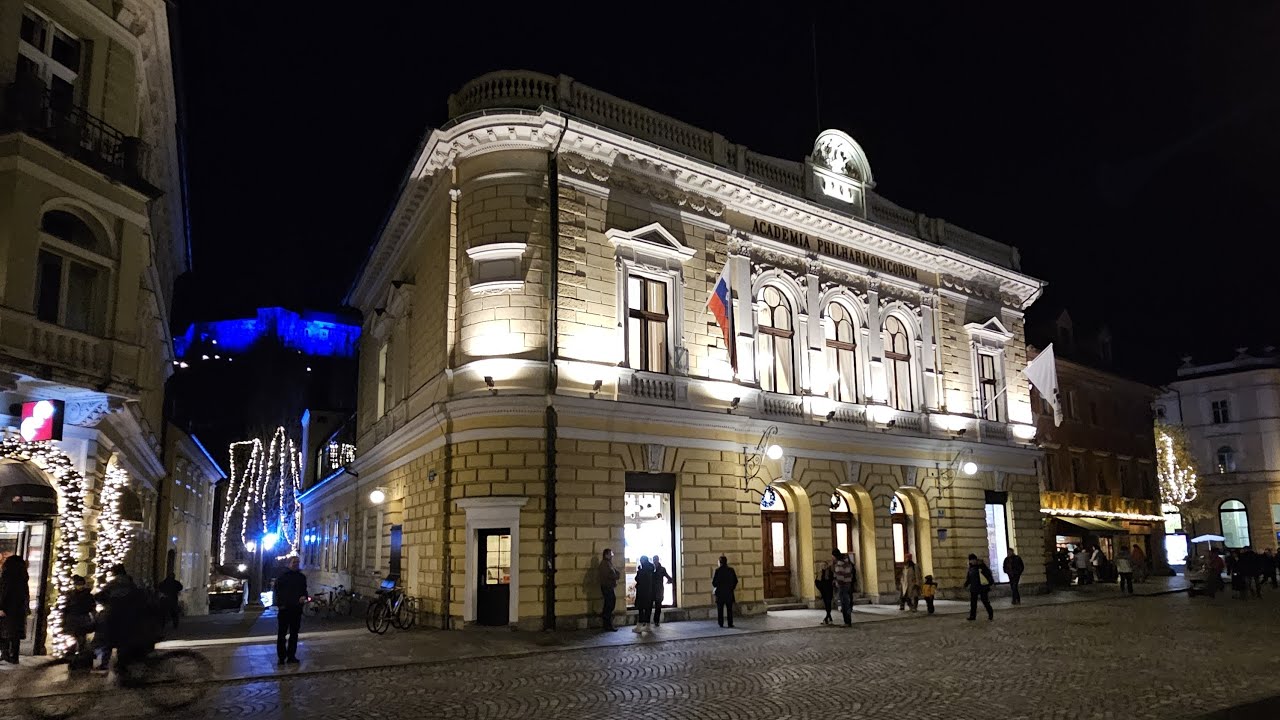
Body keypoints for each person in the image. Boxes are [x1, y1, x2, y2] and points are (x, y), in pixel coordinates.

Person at [94, 564, 148, 670]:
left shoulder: (113, 584)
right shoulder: (131, 584)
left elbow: (100, 596)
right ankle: (122, 663)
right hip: (128, 616)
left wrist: (106, 604)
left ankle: (104, 663)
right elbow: (140, 598)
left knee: (108, 640)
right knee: (123, 641)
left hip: (112, 615)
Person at [274, 556, 308, 665]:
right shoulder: (282, 577)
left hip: (296, 609)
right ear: (289, 563)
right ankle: (281, 656)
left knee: (294, 634)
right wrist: (280, 605)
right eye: (294, 562)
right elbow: (277, 592)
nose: (296, 564)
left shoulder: (301, 577)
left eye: (297, 562)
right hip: (285, 609)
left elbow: (304, 590)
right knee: (282, 634)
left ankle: (291, 655)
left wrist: (304, 597)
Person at [0, 555, 30, 664]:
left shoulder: (7, 577)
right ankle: (14, 655)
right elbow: (25, 595)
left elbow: (4, 593)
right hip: (18, 610)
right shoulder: (23, 577)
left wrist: (1, 607)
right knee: (15, 634)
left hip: (7, 610)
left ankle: (5, 653)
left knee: (4, 632)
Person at [65, 575, 96, 661]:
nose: (79, 586)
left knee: (80, 637)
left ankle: (79, 654)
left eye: (81, 584)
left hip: (80, 618)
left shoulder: (85, 595)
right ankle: (76, 654)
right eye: (78, 584)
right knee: (76, 637)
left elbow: (91, 607)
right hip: (75, 618)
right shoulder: (72, 594)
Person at [964, 553, 995, 621]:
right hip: (974, 587)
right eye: (970, 560)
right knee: (973, 603)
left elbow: (988, 575)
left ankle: (990, 613)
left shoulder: (982, 566)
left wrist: (990, 583)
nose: (971, 561)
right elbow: (969, 577)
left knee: (985, 601)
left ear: (975, 559)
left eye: (972, 560)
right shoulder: (971, 568)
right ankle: (972, 616)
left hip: (982, 587)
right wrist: (966, 584)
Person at [712, 555, 738, 628]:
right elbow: (735, 581)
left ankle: (721, 623)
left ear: (720, 562)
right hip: (729, 593)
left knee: (720, 610)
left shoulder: (717, 571)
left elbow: (714, 583)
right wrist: (732, 588)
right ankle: (730, 623)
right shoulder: (731, 570)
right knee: (729, 609)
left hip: (720, 594)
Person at [597, 548, 620, 632]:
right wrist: (615, 575)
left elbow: (615, 572)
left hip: (609, 587)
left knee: (611, 604)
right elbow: (610, 575)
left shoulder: (609, 563)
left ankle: (608, 624)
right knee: (609, 605)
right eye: (610, 554)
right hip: (607, 587)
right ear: (606, 555)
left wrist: (616, 574)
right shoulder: (604, 564)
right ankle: (607, 625)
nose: (612, 556)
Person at [632, 556, 655, 634]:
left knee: (641, 609)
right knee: (648, 609)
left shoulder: (642, 571)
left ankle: (639, 626)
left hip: (642, 593)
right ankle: (648, 626)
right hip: (650, 592)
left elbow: (637, 579)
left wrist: (639, 570)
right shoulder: (652, 569)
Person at [832, 549, 855, 626]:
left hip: (842, 585)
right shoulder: (846, 562)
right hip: (848, 583)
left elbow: (840, 576)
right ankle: (848, 621)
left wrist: (837, 582)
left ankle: (847, 621)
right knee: (846, 603)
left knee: (844, 603)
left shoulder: (840, 563)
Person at [651, 556, 673, 626]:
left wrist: (669, 581)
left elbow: (669, 578)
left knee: (657, 606)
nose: (655, 561)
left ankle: (656, 621)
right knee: (656, 606)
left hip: (657, 590)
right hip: (656, 589)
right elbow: (669, 578)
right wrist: (669, 580)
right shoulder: (659, 569)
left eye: (655, 560)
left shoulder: (656, 569)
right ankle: (654, 621)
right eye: (654, 560)